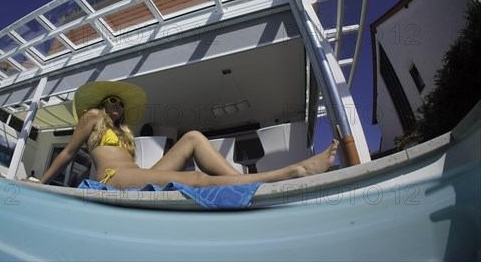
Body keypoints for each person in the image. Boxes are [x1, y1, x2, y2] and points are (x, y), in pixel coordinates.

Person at [37, 81, 339, 189]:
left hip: (138, 174)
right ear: (103, 104)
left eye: (120, 104)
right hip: (113, 178)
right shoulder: (92, 118)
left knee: (193, 136)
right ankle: (292, 171)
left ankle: (241, 184)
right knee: (195, 179)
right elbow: (66, 153)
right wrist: (40, 182)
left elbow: (137, 168)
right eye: (112, 102)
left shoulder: (123, 132)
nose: (116, 108)